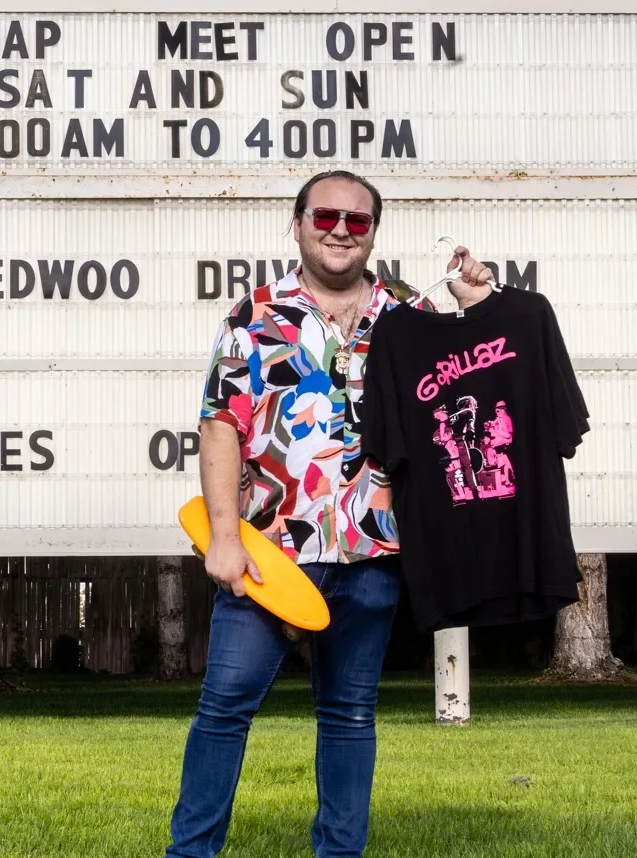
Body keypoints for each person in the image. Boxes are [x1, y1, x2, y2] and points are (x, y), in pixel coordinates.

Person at [164, 170, 495, 858]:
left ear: (373, 231)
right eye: (326, 216)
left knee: (348, 715)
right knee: (225, 710)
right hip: (270, 553)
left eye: (357, 220)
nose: (340, 230)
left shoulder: (409, 313)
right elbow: (220, 425)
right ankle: (189, 854)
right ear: (297, 223)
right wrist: (223, 539)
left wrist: (480, 307)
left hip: (373, 551)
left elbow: (476, 389)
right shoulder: (254, 315)